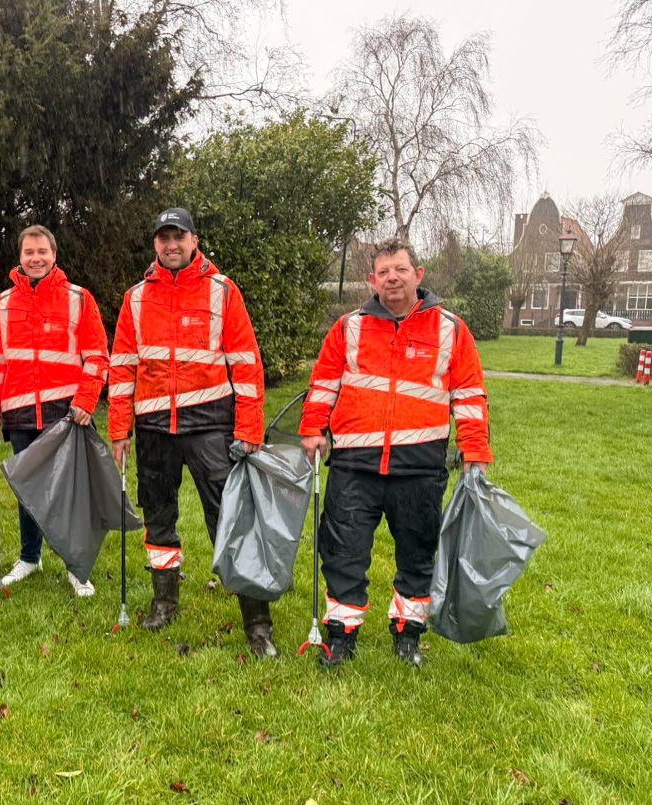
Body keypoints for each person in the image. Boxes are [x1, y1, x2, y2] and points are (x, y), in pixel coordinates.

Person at [299, 237, 492, 668]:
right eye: (383, 272)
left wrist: (474, 449)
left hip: (419, 468)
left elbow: (470, 396)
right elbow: (324, 382)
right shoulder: (348, 328)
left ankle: (408, 635)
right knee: (343, 552)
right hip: (353, 466)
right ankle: (342, 635)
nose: (392, 278)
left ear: (418, 276)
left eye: (400, 270)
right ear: (372, 280)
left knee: (417, 555)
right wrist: (313, 428)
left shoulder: (450, 329)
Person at [108, 208, 273, 656]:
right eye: (163, 237)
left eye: (178, 236)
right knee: (159, 515)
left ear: (194, 240)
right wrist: (120, 428)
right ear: (155, 245)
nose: (170, 244)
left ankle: (257, 623)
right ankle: (165, 602)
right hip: (154, 428)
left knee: (230, 518)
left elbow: (246, 364)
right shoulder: (136, 298)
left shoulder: (223, 292)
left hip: (210, 426)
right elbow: (122, 367)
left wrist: (249, 427)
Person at [0, 225, 110, 596]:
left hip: (65, 414)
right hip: (19, 413)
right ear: (19, 258)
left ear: (55, 255)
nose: (36, 259)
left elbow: (97, 356)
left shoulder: (79, 299)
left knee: (69, 494)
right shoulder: (2, 304)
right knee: (28, 491)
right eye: (29, 253)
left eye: (42, 252)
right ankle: (29, 558)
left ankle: (76, 566)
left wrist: (86, 400)